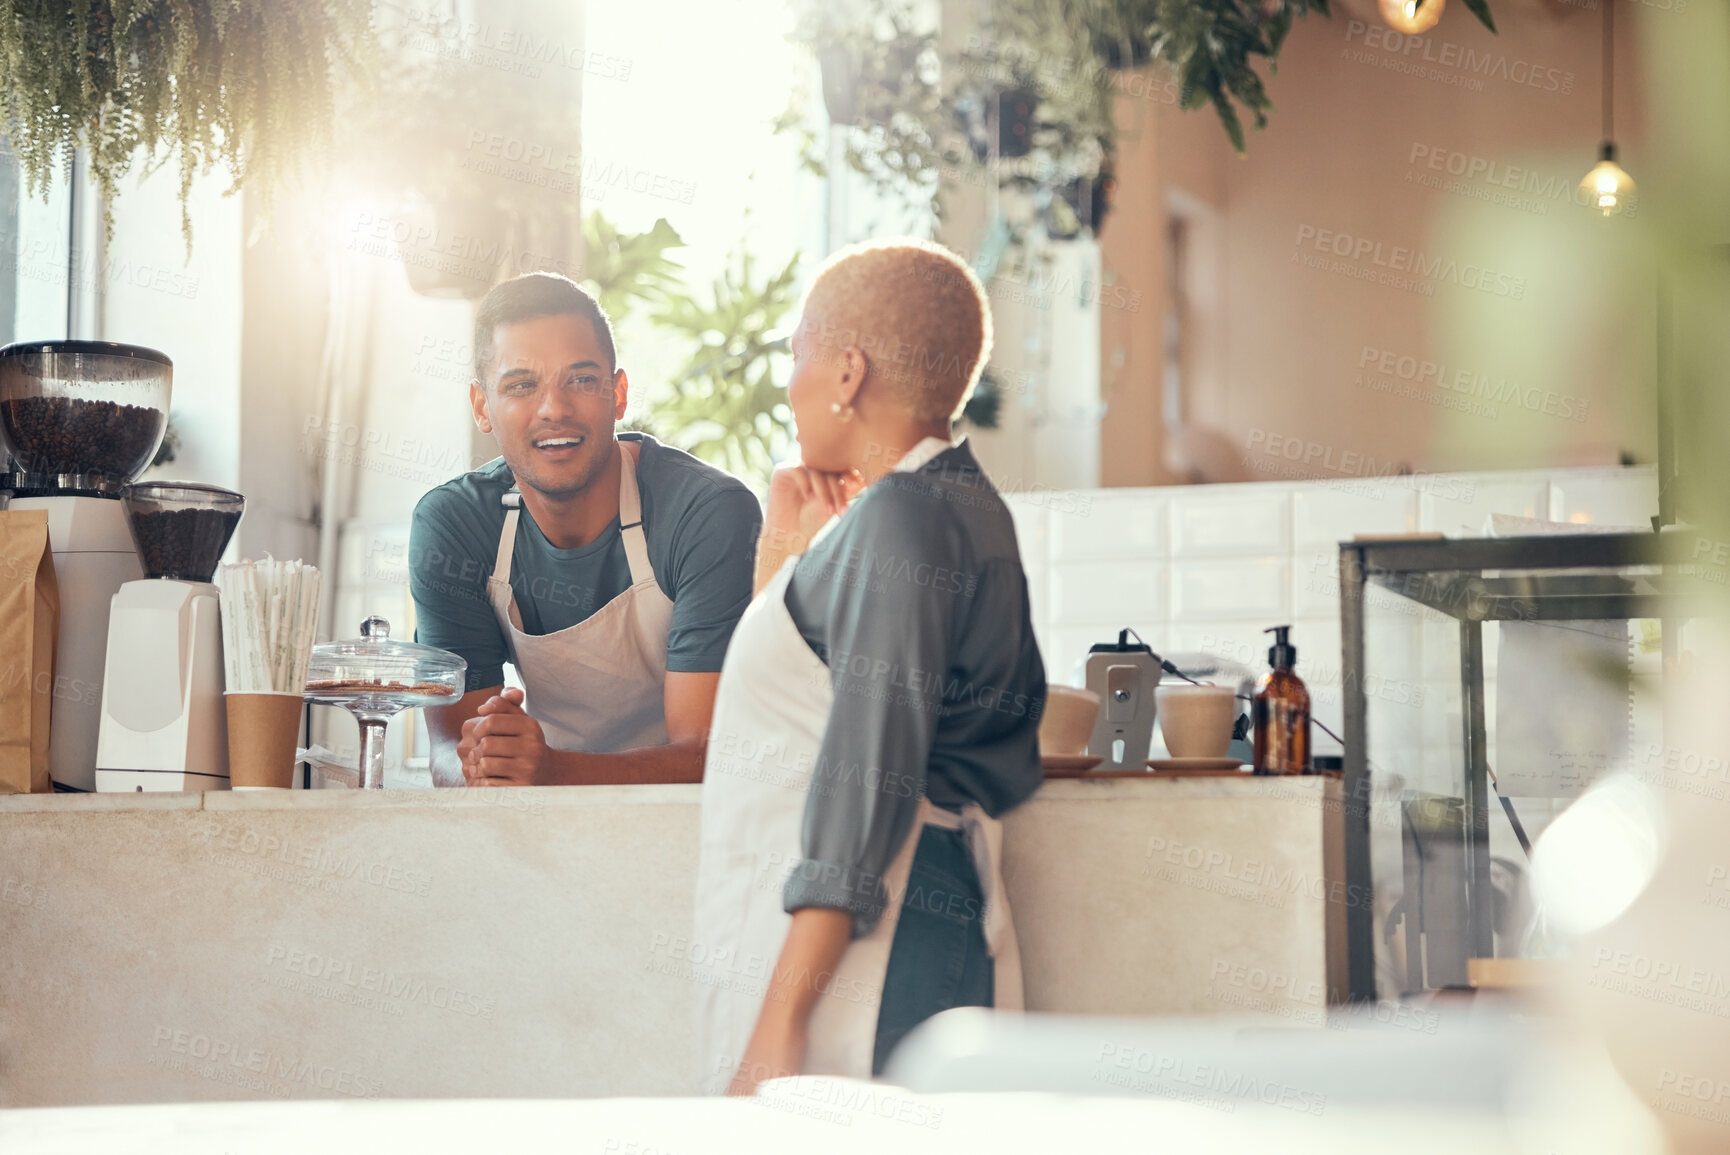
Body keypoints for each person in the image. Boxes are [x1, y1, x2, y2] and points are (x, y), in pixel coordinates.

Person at [691, 240, 1047, 1093]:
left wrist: (782, 1021)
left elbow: (867, 782)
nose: (789, 381)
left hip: (861, 964)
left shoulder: (900, 523)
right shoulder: (956, 505)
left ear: (848, 372)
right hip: (911, 930)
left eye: (799, 353)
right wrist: (790, 566)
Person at [410, 273, 762, 786]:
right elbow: (449, 751)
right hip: (544, 828)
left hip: (691, 836)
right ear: (482, 406)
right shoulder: (456, 527)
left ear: (618, 394)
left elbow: (707, 758)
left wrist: (554, 770)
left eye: (581, 380)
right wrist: (487, 765)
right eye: (521, 386)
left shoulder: (707, 514)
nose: (554, 409)